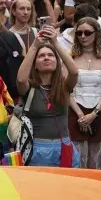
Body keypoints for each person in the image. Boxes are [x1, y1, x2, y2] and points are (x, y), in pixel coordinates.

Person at [18, 30, 77, 166]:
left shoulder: (64, 86)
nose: (46, 58)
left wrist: (56, 43)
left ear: (57, 62)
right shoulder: (29, 87)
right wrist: (34, 46)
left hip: (64, 146)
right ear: (35, 64)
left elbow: (74, 71)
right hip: (37, 148)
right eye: (41, 56)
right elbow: (21, 79)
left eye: (51, 55)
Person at [66, 13, 101, 169]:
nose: (82, 36)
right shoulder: (70, 54)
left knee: (95, 156)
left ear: (96, 34)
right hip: (76, 108)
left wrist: (94, 113)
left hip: (97, 109)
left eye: (87, 33)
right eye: (79, 32)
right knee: (78, 157)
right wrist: (80, 115)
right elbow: (65, 89)